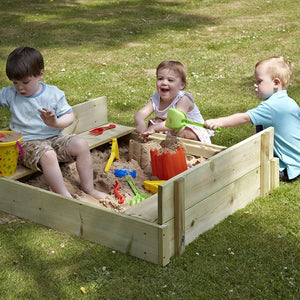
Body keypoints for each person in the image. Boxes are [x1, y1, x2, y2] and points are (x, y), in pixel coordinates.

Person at [0, 46, 108, 199]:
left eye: (25, 82)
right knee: (48, 154)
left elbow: (69, 116)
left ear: (40, 74)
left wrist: (55, 122)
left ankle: (89, 188)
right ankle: (64, 196)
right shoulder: (11, 94)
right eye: (15, 82)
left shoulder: (53, 94)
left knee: (81, 144)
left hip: (54, 138)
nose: (20, 87)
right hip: (26, 144)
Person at [205, 56, 300, 181]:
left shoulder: (271, 106)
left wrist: (219, 122)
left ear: (276, 83)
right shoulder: (289, 102)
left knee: (245, 169)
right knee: (259, 124)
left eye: (259, 81)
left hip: (289, 167)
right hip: (297, 160)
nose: (255, 85)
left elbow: (244, 118)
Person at [134, 60, 213, 143]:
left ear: (181, 85)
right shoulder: (156, 98)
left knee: (187, 133)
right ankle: (160, 146)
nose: (164, 82)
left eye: (170, 80)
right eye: (160, 78)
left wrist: (155, 128)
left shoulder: (183, 99)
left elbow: (175, 122)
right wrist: (141, 123)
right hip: (172, 130)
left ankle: (192, 152)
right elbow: (140, 114)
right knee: (153, 123)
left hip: (192, 131)